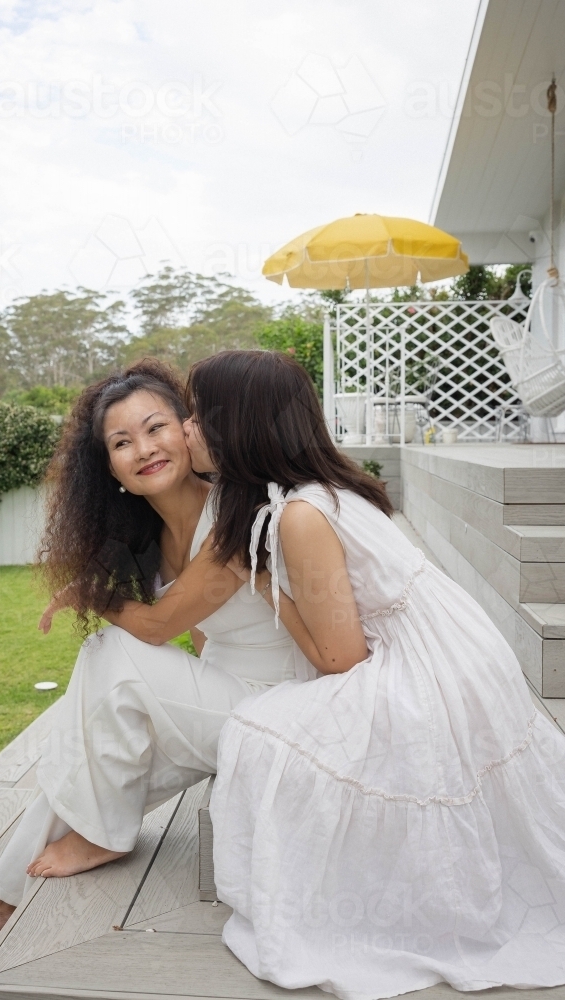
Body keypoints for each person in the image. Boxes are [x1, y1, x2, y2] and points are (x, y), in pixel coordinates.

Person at [185, 349, 565, 1000]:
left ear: (235, 426)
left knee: (256, 726)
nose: (185, 427)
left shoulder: (299, 516)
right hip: (458, 654)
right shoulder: (328, 488)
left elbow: (339, 659)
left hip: (422, 675)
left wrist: (263, 584)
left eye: (195, 414)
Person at [0, 358, 314, 941]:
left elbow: (154, 629)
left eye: (155, 427)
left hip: (277, 709)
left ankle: (99, 837)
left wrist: (93, 596)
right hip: (228, 703)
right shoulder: (147, 536)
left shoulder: (235, 512)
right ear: (111, 468)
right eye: (122, 442)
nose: (144, 448)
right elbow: (201, 636)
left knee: (109, 653)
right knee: (84, 766)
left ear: (189, 428)